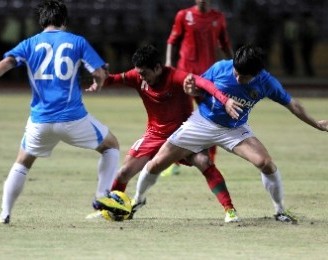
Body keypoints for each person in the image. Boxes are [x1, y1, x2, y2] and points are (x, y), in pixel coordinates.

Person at [131, 44, 328, 223]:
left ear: (257, 73)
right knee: (157, 163)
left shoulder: (267, 83)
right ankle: (137, 200)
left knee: (266, 164)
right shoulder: (221, 68)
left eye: (243, 77)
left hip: (234, 130)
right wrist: (191, 90)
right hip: (202, 123)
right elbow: (199, 88)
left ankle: (279, 210)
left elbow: (293, 105)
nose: (237, 78)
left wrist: (316, 124)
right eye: (236, 72)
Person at [0, 0, 121, 225]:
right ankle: (101, 199)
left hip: (40, 120)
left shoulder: (30, 43)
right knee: (111, 146)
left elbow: (7, 62)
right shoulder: (77, 41)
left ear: (41, 22)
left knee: (22, 162)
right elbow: (98, 72)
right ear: (64, 21)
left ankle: (4, 214)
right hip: (73, 118)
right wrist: (98, 81)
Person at [90, 44, 242, 222]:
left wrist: (225, 100)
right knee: (123, 173)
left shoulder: (176, 77)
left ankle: (229, 210)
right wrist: (100, 78)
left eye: (144, 73)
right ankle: (109, 210)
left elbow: (204, 83)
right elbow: (112, 80)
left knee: (204, 161)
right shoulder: (137, 76)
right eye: (138, 73)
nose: (141, 78)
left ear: (157, 67)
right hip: (154, 134)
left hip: (185, 134)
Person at [164, 0, 234, 175]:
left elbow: (225, 45)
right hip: (185, 75)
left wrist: (234, 67)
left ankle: (210, 161)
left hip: (210, 77)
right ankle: (176, 162)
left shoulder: (218, 17)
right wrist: (168, 63)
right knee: (178, 117)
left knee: (213, 119)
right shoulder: (184, 15)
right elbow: (172, 41)